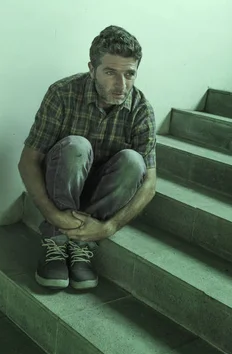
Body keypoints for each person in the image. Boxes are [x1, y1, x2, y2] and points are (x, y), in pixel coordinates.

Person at [18, 25, 157, 290]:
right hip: (62, 183)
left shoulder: (141, 109)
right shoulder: (62, 93)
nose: (122, 85)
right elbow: (28, 160)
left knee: (134, 162)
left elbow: (150, 183)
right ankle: (56, 241)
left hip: (101, 196)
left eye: (130, 74)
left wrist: (110, 227)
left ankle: (83, 243)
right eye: (110, 73)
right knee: (76, 146)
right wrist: (52, 214)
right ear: (92, 69)